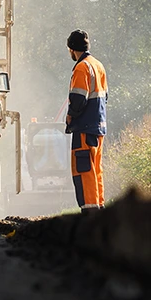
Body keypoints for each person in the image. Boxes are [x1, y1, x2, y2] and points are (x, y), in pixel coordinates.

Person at [65, 29, 108, 212]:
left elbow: (78, 98)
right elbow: (104, 97)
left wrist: (70, 116)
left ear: (72, 49)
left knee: (84, 170)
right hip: (98, 126)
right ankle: (99, 206)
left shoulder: (82, 67)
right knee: (96, 168)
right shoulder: (98, 65)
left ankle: (89, 211)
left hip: (84, 127)